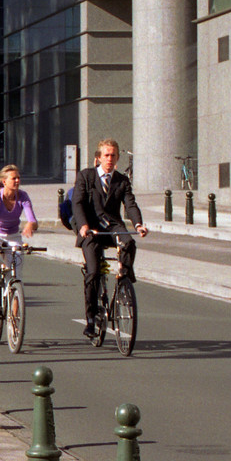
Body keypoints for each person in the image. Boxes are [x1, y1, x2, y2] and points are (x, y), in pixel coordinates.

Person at [74, 139, 147, 342]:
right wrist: (83, 226)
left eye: (113, 155)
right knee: (93, 272)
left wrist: (138, 224)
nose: (109, 159)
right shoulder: (86, 176)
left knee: (129, 242)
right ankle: (90, 318)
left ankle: (124, 274)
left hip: (112, 225)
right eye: (106, 155)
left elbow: (130, 204)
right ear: (98, 157)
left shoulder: (122, 180)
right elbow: (77, 203)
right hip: (91, 229)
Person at [0, 164, 38, 300]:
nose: (17, 181)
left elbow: (33, 219)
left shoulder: (23, 196)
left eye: (18, 178)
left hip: (13, 235)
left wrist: (31, 225)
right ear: (4, 181)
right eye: (14, 178)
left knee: (16, 275)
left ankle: (13, 317)